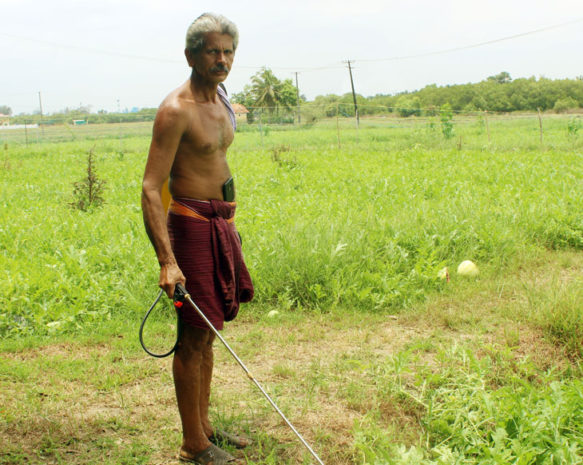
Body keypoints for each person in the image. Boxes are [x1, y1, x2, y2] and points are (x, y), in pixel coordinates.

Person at [141, 13, 253, 465]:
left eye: (228, 51)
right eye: (212, 51)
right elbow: (151, 186)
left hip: (219, 223)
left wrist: (227, 226)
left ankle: (204, 427)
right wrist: (168, 260)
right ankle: (193, 446)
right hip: (189, 226)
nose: (222, 59)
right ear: (190, 55)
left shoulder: (222, 98)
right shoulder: (176, 110)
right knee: (193, 336)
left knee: (208, 334)